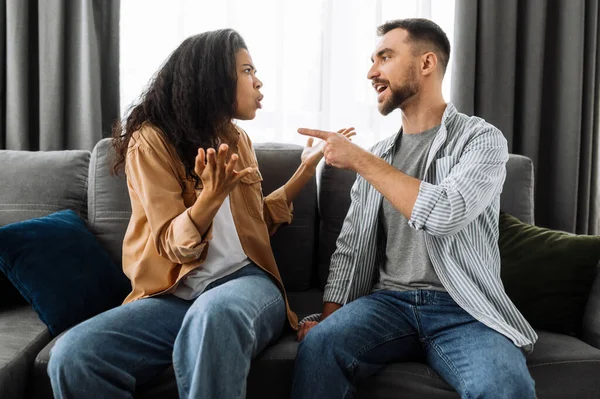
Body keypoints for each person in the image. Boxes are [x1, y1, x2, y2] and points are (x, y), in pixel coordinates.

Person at [47, 29, 354, 399]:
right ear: (213, 76)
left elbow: (257, 221)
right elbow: (170, 244)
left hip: (247, 284)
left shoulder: (238, 139)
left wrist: (305, 169)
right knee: (74, 355)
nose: (258, 82)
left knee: (214, 314)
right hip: (174, 294)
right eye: (246, 70)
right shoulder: (151, 141)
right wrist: (210, 198)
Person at [291, 18, 537, 399]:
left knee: (506, 385)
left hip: (464, 309)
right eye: (372, 60)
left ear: (426, 64)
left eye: (385, 57)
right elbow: (352, 248)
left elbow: (445, 212)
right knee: (320, 347)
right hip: (388, 304)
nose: (372, 72)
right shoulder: (381, 155)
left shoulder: (482, 141)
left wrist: (360, 161)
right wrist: (327, 320)